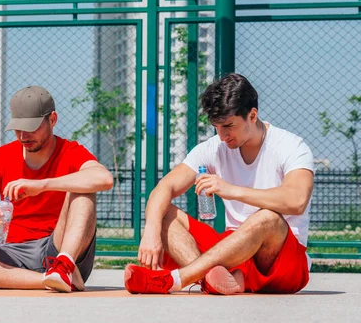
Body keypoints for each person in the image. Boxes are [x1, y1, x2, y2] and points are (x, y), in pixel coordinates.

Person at [124, 73, 315, 295]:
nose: (223, 136)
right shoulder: (212, 148)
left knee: (267, 218)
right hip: (232, 252)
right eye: (217, 126)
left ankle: (175, 280)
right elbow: (164, 188)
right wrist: (151, 230)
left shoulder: (291, 146)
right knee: (163, 211)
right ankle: (212, 280)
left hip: (281, 260)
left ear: (252, 116)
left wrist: (232, 191)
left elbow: (297, 200)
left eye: (229, 126)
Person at [0, 85, 113, 292]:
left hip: (58, 247)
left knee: (84, 185)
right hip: (10, 253)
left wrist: (42, 185)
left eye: (32, 127)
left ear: (52, 119)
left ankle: (64, 267)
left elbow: (104, 178)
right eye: (18, 128)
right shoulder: (0, 157)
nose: (23, 135)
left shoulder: (70, 152)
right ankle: (50, 280)